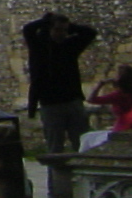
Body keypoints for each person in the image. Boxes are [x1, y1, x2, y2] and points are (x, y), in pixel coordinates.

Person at [23, 11, 98, 153]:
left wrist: (70, 27)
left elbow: (90, 33)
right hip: (50, 104)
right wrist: (46, 21)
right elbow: (28, 29)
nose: (61, 34)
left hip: (72, 101)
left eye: (64, 31)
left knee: (82, 144)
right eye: (57, 30)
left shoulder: (70, 46)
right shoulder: (39, 47)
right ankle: (57, 175)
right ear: (49, 29)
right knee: (55, 147)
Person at [78, 63, 132, 152]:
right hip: (130, 127)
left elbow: (91, 99)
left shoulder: (117, 96)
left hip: (121, 130)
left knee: (87, 138)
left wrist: (100, 84)